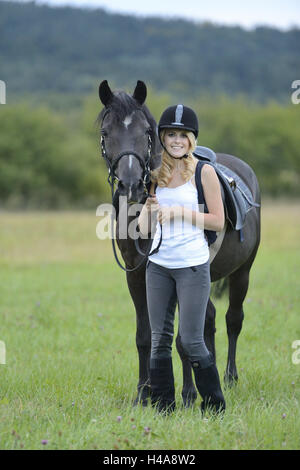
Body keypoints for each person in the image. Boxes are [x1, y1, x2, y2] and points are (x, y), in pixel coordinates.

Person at [138, 104, 226, 414]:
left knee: (190, 340)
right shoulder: (154, 175)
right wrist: (147, 214)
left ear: (192, 139)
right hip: (158, 266)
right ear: (162, 137)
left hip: (191, 265)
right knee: (159, 339)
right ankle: (164, 409)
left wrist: (181, 213)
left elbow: (217, 220)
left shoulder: (205, 172)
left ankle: (214, 407)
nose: (177, 140)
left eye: (183, 135)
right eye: (171, 134)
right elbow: (143, 228)